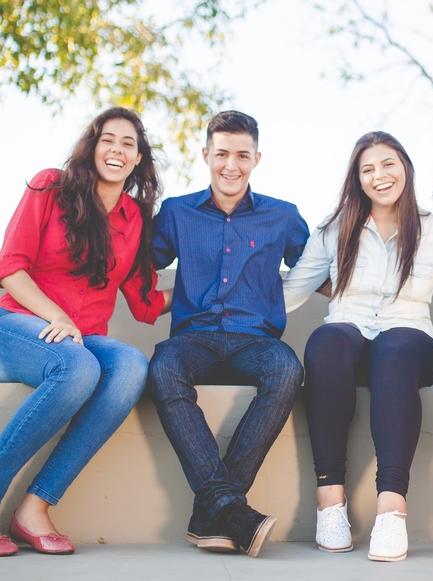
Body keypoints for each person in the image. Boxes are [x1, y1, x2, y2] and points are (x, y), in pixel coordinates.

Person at [282, 131, 433, 562]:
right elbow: (290, 292)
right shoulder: (335, 231)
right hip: (348, 334)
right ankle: (330, 502)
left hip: (411, 340)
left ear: (405, 166)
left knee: (395, 348)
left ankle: (392, 508)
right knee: (326, 341)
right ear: (357, 179)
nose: (379, 175)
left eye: (388, 164)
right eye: (367, 169)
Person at [0, 107, 169, 557]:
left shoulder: (134, 218)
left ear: (138, 159)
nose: (116, 149)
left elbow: (145, 300)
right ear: (92, 146)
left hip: (83, 336)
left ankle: (34, 507)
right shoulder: (49, 186)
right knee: (77, 369)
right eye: (107, 139)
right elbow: (10, 268)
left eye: (128, 144)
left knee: (131, 366)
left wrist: (216, 288)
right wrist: (56, 316)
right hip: (20, 321)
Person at [148, 110, 309, 558]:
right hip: (193, 338)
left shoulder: (283, 216)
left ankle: (215, 511)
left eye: (242, 155)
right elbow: (137, 264)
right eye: (222, 154)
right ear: (206, 155)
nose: (231, 165)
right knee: (163, 367)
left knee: (286, 370)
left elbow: (322, 267)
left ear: (257, 158)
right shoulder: (177, 212)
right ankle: (231, 510)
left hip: (256, 341)